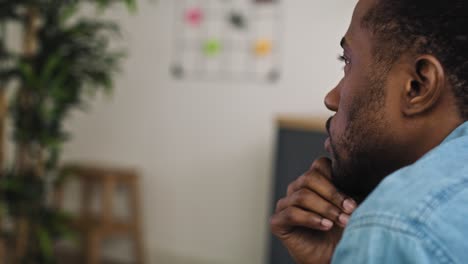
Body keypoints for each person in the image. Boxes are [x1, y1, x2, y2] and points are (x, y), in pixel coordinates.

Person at [270, 0, 468, 263]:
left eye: (347, 61)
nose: (330, 98)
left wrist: (371, 239)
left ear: (417, 86)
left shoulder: (400, 228)